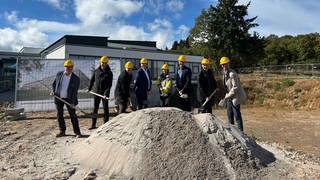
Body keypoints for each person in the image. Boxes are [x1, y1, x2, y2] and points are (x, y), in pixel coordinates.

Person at [51, 59, 82, 138]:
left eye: (70, 67)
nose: (69, 68)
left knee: (73, 115)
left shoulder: (76, 79)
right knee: (59, 115)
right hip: (58, 98)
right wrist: (53, 91)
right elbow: (54, 84)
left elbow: (75, 92)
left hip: (70, 99)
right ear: (64, 67)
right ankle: (62, 131)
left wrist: (73, 103)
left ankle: (77, 132)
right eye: (67, 67)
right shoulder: (59, 74)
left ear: (72, 68)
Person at [219, 56, 246, 131]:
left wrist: (227, 97)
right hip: (229, 97)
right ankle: (232, 132)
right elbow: (227, 87)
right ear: (221, 65)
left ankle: (241, 133)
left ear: (228, 64)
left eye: (226, 64)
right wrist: (226, 96)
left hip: (235, 97)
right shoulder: (224, 73)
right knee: (229, 115)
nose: (224, 65)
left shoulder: (232, 74)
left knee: (237, 116)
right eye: (223, 64)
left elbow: (235, 88)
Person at [87, 56, 113, 130]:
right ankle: (93, 124)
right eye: (102, 62)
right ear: (100, 62)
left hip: (105, 93)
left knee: (105, 108)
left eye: (105, 63)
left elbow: (109, 85)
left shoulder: (109, 72)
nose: (103, 64)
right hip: (96, 92)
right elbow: (92, 81)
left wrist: (105, 93)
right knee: (95, 108)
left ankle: (106, 124)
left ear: (107, 63)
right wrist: (89, 88)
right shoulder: (96, 71)